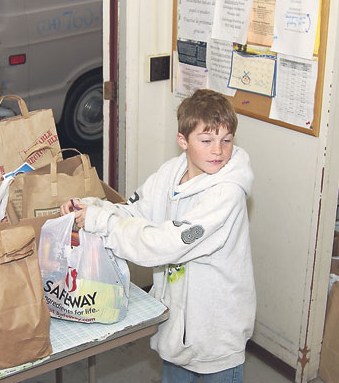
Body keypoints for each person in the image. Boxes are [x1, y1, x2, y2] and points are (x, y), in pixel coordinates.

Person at [60, 89, 255, 383]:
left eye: (226, 140)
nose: (218, 150)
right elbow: (135, 212)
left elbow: (165, 244)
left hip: (216, 335)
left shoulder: (227, 193)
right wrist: (91, 209)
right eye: (206, 140)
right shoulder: (171, 173)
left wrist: (102, 222)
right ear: (183, 141)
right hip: (177, 329)